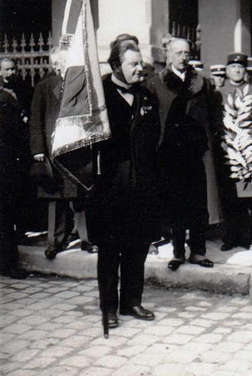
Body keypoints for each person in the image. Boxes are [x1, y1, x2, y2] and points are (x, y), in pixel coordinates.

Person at [86, 39, 161, 328]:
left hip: (142, 186)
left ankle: (132, 301)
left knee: (138, 246)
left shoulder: (148, 97)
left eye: (140, 63)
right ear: (116, 65)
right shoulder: (99, 98)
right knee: (109, 250)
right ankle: (109, 308)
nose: (139, 68)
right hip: (110, 188)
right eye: (133, 64)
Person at [147, 38, 219, 272]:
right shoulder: (156, 83)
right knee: (175, 203)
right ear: (168, 55)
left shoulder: (202, 82)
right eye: (178, 52)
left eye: (186, 52)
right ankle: (178, 252)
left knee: (199, 203)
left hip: (197, 152)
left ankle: (198, 252)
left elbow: (212, 116)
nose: (183, 56)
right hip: (170, 152)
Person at [30, 49, 96, 259]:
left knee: (81, 197)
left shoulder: (81, 86)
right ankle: (55, 242)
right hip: (53, 152)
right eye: (64, 63)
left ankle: (87, 239)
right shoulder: (43, 87)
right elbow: (36, 120)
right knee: (55, 198)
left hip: (76, 150)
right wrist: (38, 149)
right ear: (56, 66)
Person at [217, 52, 252, 251]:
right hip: (226, 150)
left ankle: (247, 237)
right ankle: (230, 237)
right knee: (229, 196)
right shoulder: (218, 92)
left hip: (248, 150)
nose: (237, 70)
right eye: (233, 67)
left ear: (245, 70)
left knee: (248, 196)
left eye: (240, 67)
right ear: (227, 70)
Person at [0, 81, 29, 279]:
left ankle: (8, 264)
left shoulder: (7, 99)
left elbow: (19, 130)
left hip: (6, 165)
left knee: (6, 218)